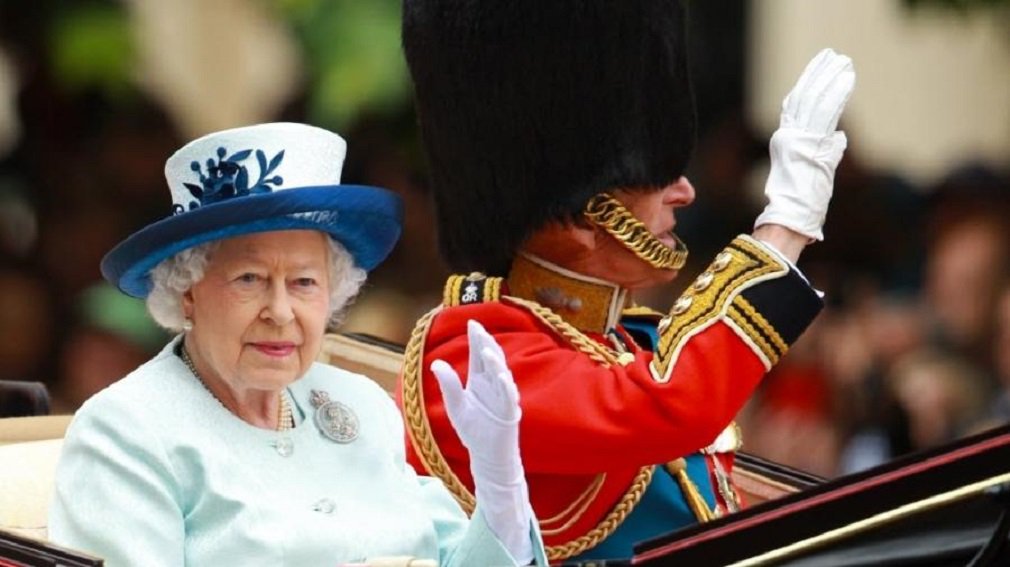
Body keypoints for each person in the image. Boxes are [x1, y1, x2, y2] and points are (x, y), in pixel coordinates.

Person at [396, 1, 855, 562]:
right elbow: (670, 402)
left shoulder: (626, 340)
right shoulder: (473, 355)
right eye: (656, 176)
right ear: (581, 217)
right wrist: (785, 228)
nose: (683, 191)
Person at [49, 122, 546, 566]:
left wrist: (500, 488)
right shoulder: (126, 432)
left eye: (305, 283)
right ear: (188, 293)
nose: (281, 312)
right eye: (249, 278)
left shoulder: (364, 405)